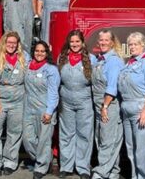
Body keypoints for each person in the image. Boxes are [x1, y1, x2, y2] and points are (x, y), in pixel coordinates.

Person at [0, 31, 30, 177]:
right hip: (0, 100)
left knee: (14, 132)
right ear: (4, 43)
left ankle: (10, 162)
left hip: (18, 101)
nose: (11, 45)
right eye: (9, 42)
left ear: (18, 45)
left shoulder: (25, 58)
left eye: (14, 43)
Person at [118, 32, 145, 179]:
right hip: (128, 109)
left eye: (136, 44)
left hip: (142, 110)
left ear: (143, 45)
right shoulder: (129, 63)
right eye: (130, 44)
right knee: (132, 149)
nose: (132, 47)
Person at [57, 30, 97, 179]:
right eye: (72, 42)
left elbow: (96, 83)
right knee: (66, 134)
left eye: (77, 42)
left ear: (82, 43)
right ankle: (66, 166)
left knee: (84, 134)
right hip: (65, 101)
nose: (74, 44)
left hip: (84, 101)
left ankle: (83, 168)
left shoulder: (91, 59)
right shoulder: (61, 58)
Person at [23, 40, 60, 179]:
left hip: (45, 108)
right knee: (27, 139)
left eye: (42, 51)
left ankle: (41, 167)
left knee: (44, 140)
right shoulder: (27, 65)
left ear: (47, 53)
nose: (39, 53)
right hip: (28, 108)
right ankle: (46, 158)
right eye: (37, 51)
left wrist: (49, 111)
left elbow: (53, 93)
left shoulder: (51, 70)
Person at [91, 29, 124, 179]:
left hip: (109, 105)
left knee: (108, 141)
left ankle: (100, 172)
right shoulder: (99, 60)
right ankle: (113, 172)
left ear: (112, 42)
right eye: (101, 40)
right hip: (99, 104)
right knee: (102, 139)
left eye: (106, 40)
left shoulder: (114, 61)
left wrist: (105, 107)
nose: (103, 42)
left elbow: (112, 86)